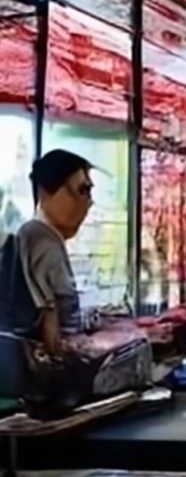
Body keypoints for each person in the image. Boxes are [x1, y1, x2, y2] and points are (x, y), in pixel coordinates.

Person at [0, 149, 93, 355]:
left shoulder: (41, 236)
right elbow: (53, 332)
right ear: (45, 192)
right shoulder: (41, 239)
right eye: (82, 190)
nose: (89, 202)